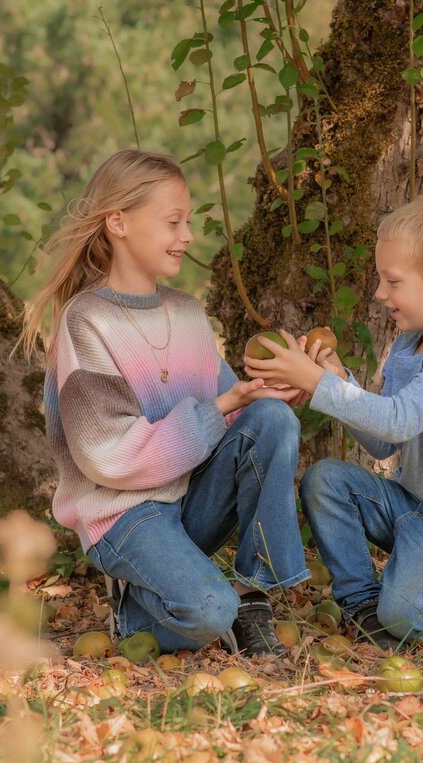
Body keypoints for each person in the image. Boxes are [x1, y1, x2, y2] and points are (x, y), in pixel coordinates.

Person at [17, 149, 309, 656]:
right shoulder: (87, 323)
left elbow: (237, 418)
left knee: (273, 420)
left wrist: (274, 389)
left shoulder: (188, 313)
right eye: (173, 222)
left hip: (188, 499)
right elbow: (107, 455)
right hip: (124, 513)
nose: (188, 236)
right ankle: (136, 612)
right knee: (210, 615)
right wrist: (221, 408)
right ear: (118, 223)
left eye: (188, 222)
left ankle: (253, 591)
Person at [244, 190, 423, 649]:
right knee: (326, 480)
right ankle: (361, 603)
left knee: (406, 618)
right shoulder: (409, 347)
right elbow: (384, 445)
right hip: (411, 508)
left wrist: (316, 382)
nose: (379, 294)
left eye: (392, 282)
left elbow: (398, 422)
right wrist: (338, 378)